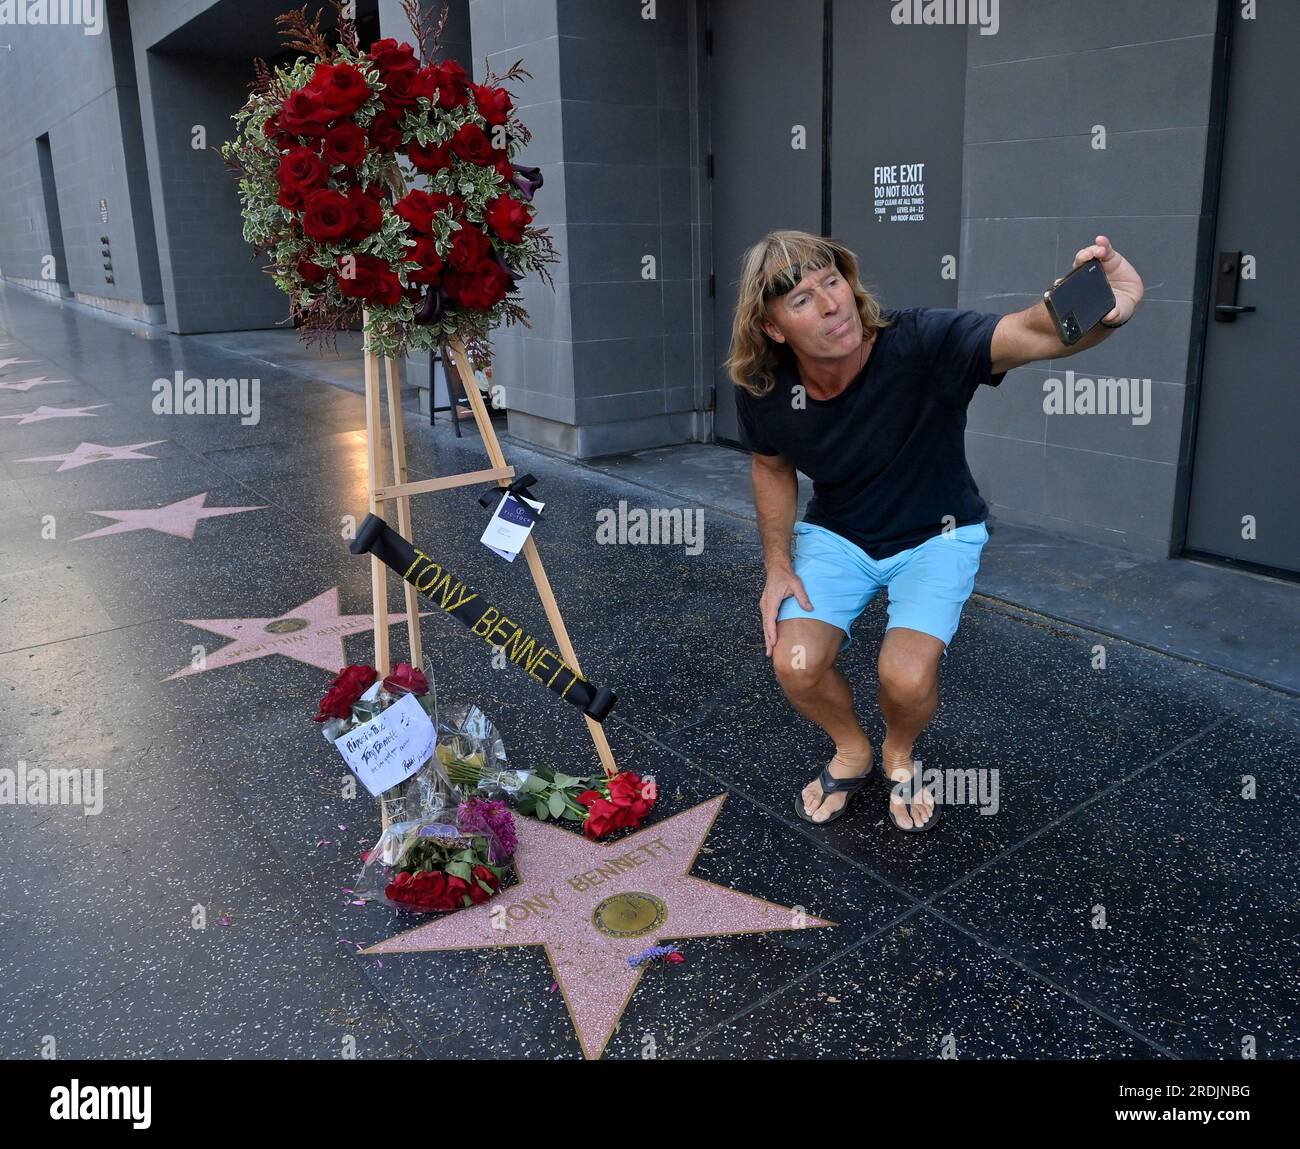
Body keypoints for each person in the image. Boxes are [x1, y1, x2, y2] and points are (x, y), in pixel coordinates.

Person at [728, 229, 1143, 831]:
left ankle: (899, 752)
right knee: (793, 661)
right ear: (772, 328)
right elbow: (771, 463)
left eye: (832, 282)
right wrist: (777, 564)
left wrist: (1110, 305)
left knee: (905, 674)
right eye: (800, 300)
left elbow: (1034, 330)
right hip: (841, 535)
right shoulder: (765, 387)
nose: (830, 305)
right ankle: (853, 749)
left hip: (937, 535)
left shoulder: (921, 342)